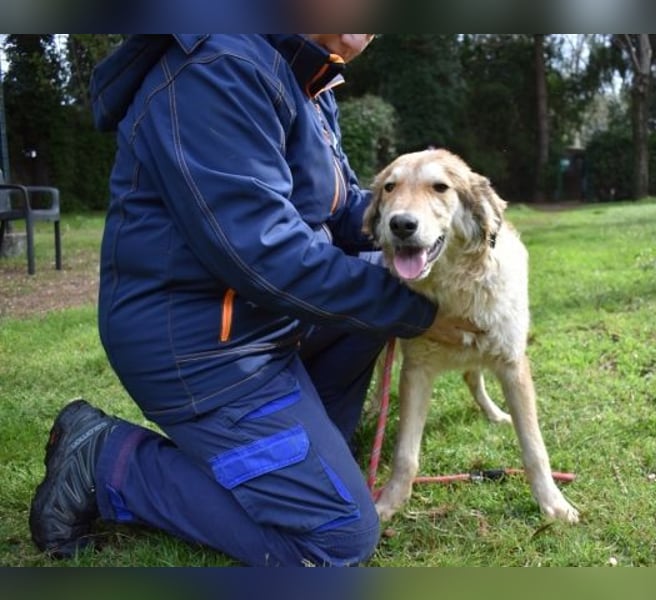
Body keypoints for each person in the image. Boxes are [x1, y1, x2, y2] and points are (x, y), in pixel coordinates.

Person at [28, 34, 476, 567]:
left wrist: (434, 230)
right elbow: (261, 250)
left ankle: (306, 456)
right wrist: (422, 312)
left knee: (380, 292)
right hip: (201, 346)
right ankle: (107, 460)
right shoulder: (219, 67)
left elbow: (340, 211)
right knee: (335, 538)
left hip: (265, 320)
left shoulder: (306, 76)